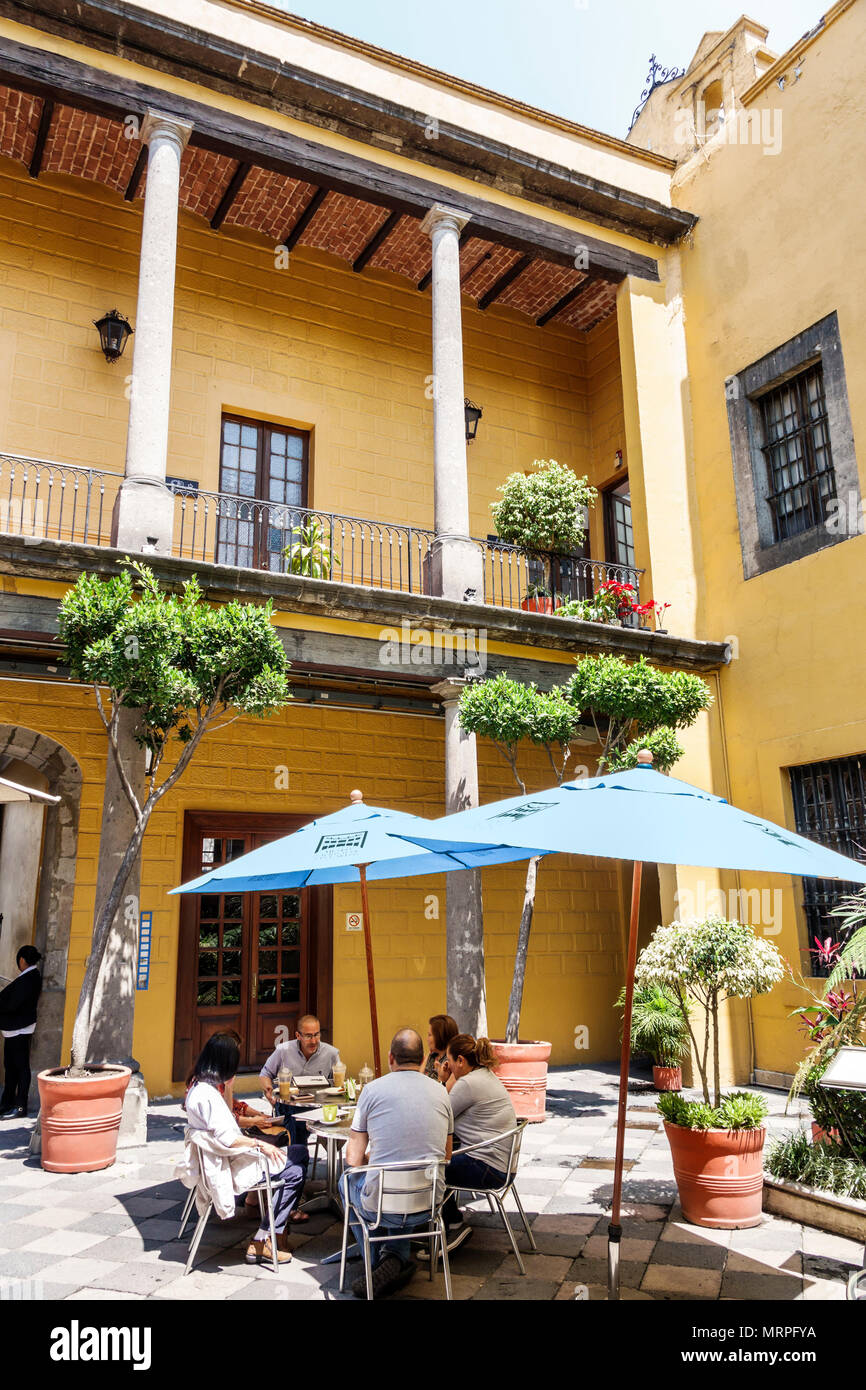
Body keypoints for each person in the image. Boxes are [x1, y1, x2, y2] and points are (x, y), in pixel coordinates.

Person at [342, 1027, 453, 1299]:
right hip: (428, 1203)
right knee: (397, 1181)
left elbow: (353, 1159)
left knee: (346, 1180)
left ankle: (376, 1264)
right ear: (422, 1058)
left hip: (383, 1204)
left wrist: (375, 1159)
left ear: (391, 1057)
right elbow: (446, 1156)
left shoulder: (372, 1090)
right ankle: (394, 1256)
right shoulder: (441, 1092)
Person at [183, 1032, 309, 1266]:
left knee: (300, 1152)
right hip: (231, 1164)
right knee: (295, 1173)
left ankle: (277, 1229)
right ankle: (263, 1238)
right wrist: (260, 1144)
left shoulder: (200, 1087)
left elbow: (228, 1118)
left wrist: (229, 1085)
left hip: (227, 1158)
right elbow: (228, 1138)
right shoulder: (208, 1096)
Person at [440, 1033, 516, 1248]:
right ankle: (448, 1219)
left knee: (430, 1168)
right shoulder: (485, 1075)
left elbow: (437, 1114)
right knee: (442, 1158)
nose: (449, 1066)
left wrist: (442, 1081)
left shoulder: (468, 1084)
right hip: (502, 1164)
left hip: (488, 1168)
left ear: (461, 1061)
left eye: (450, 1060)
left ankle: (451, 1226)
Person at [0, 945, 42, 1119]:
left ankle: (19, 1105)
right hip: (16, 1028)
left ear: (22, 960)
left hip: (19, 1028)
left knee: (19, 1067)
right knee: (11, 1067)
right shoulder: (29, 976)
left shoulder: (29, 977)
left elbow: (13, 1004)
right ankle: (8, 1102)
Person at [423, 1014, 458, 1083]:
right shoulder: (432, 1055)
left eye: (430, 1035)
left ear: (440, 1037)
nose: (427, 1039)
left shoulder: (451, 1062)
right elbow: (420, 1077)